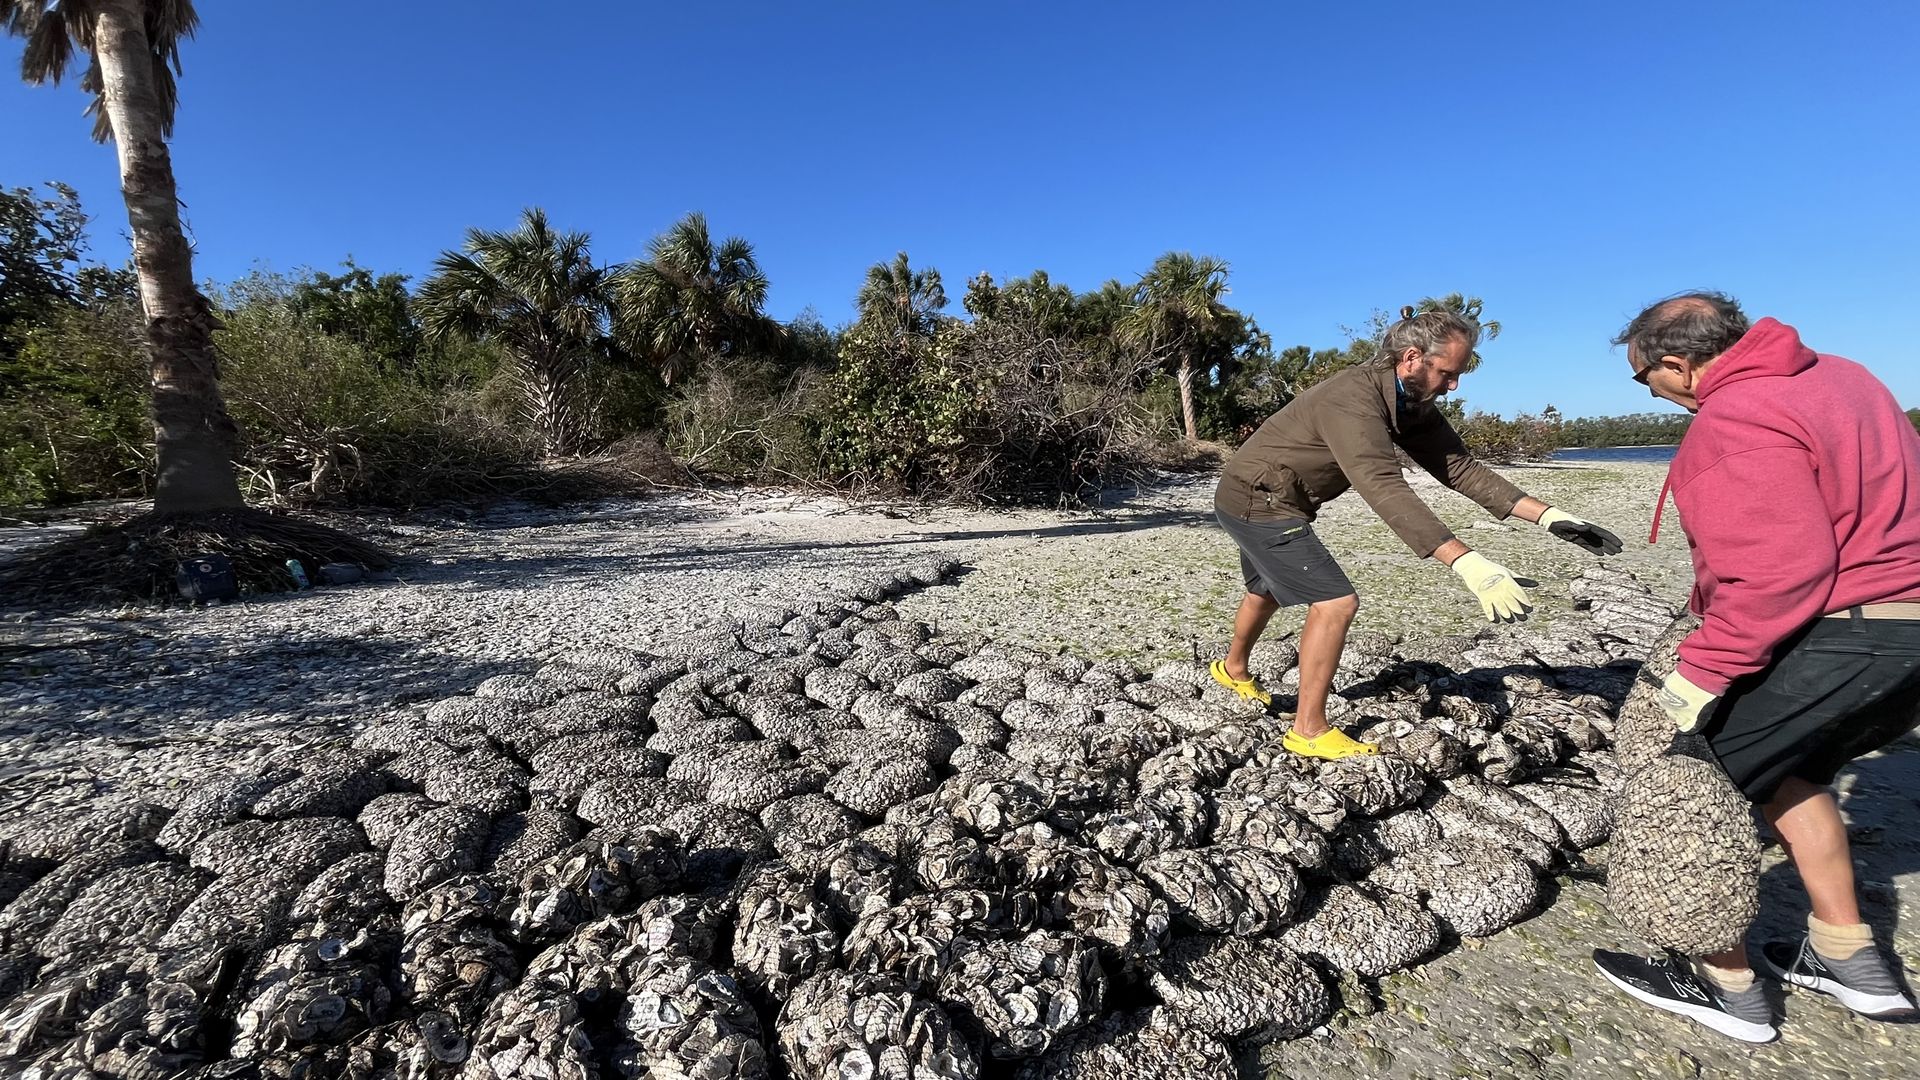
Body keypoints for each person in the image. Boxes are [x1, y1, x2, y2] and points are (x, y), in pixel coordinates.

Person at [1591, 292, 1920, 1042]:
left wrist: (1699, 674)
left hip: (1844, 632)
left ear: (1675, 364)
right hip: (1909, 638)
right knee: (1787, 772)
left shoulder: (1733, 418)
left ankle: (1724, 984)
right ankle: (1847, 957)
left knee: (1684, 778)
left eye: (1645, 381)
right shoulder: (1847, 377)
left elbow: (1779, 573)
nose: (1654, 394)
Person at [1211, 305, 1624, 760]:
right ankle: (1308, 729)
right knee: (1335, 601)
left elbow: (1459, 467)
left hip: (1271, 496)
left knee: (1266, 587)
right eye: (1448, 372)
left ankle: (1233, 670)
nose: (1453, 386)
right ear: (1412, 358)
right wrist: (1466, 563)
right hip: (1259, 500)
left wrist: (1549, 516)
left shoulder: (1410, 401)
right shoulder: (1352, 398)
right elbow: (1381, 483)